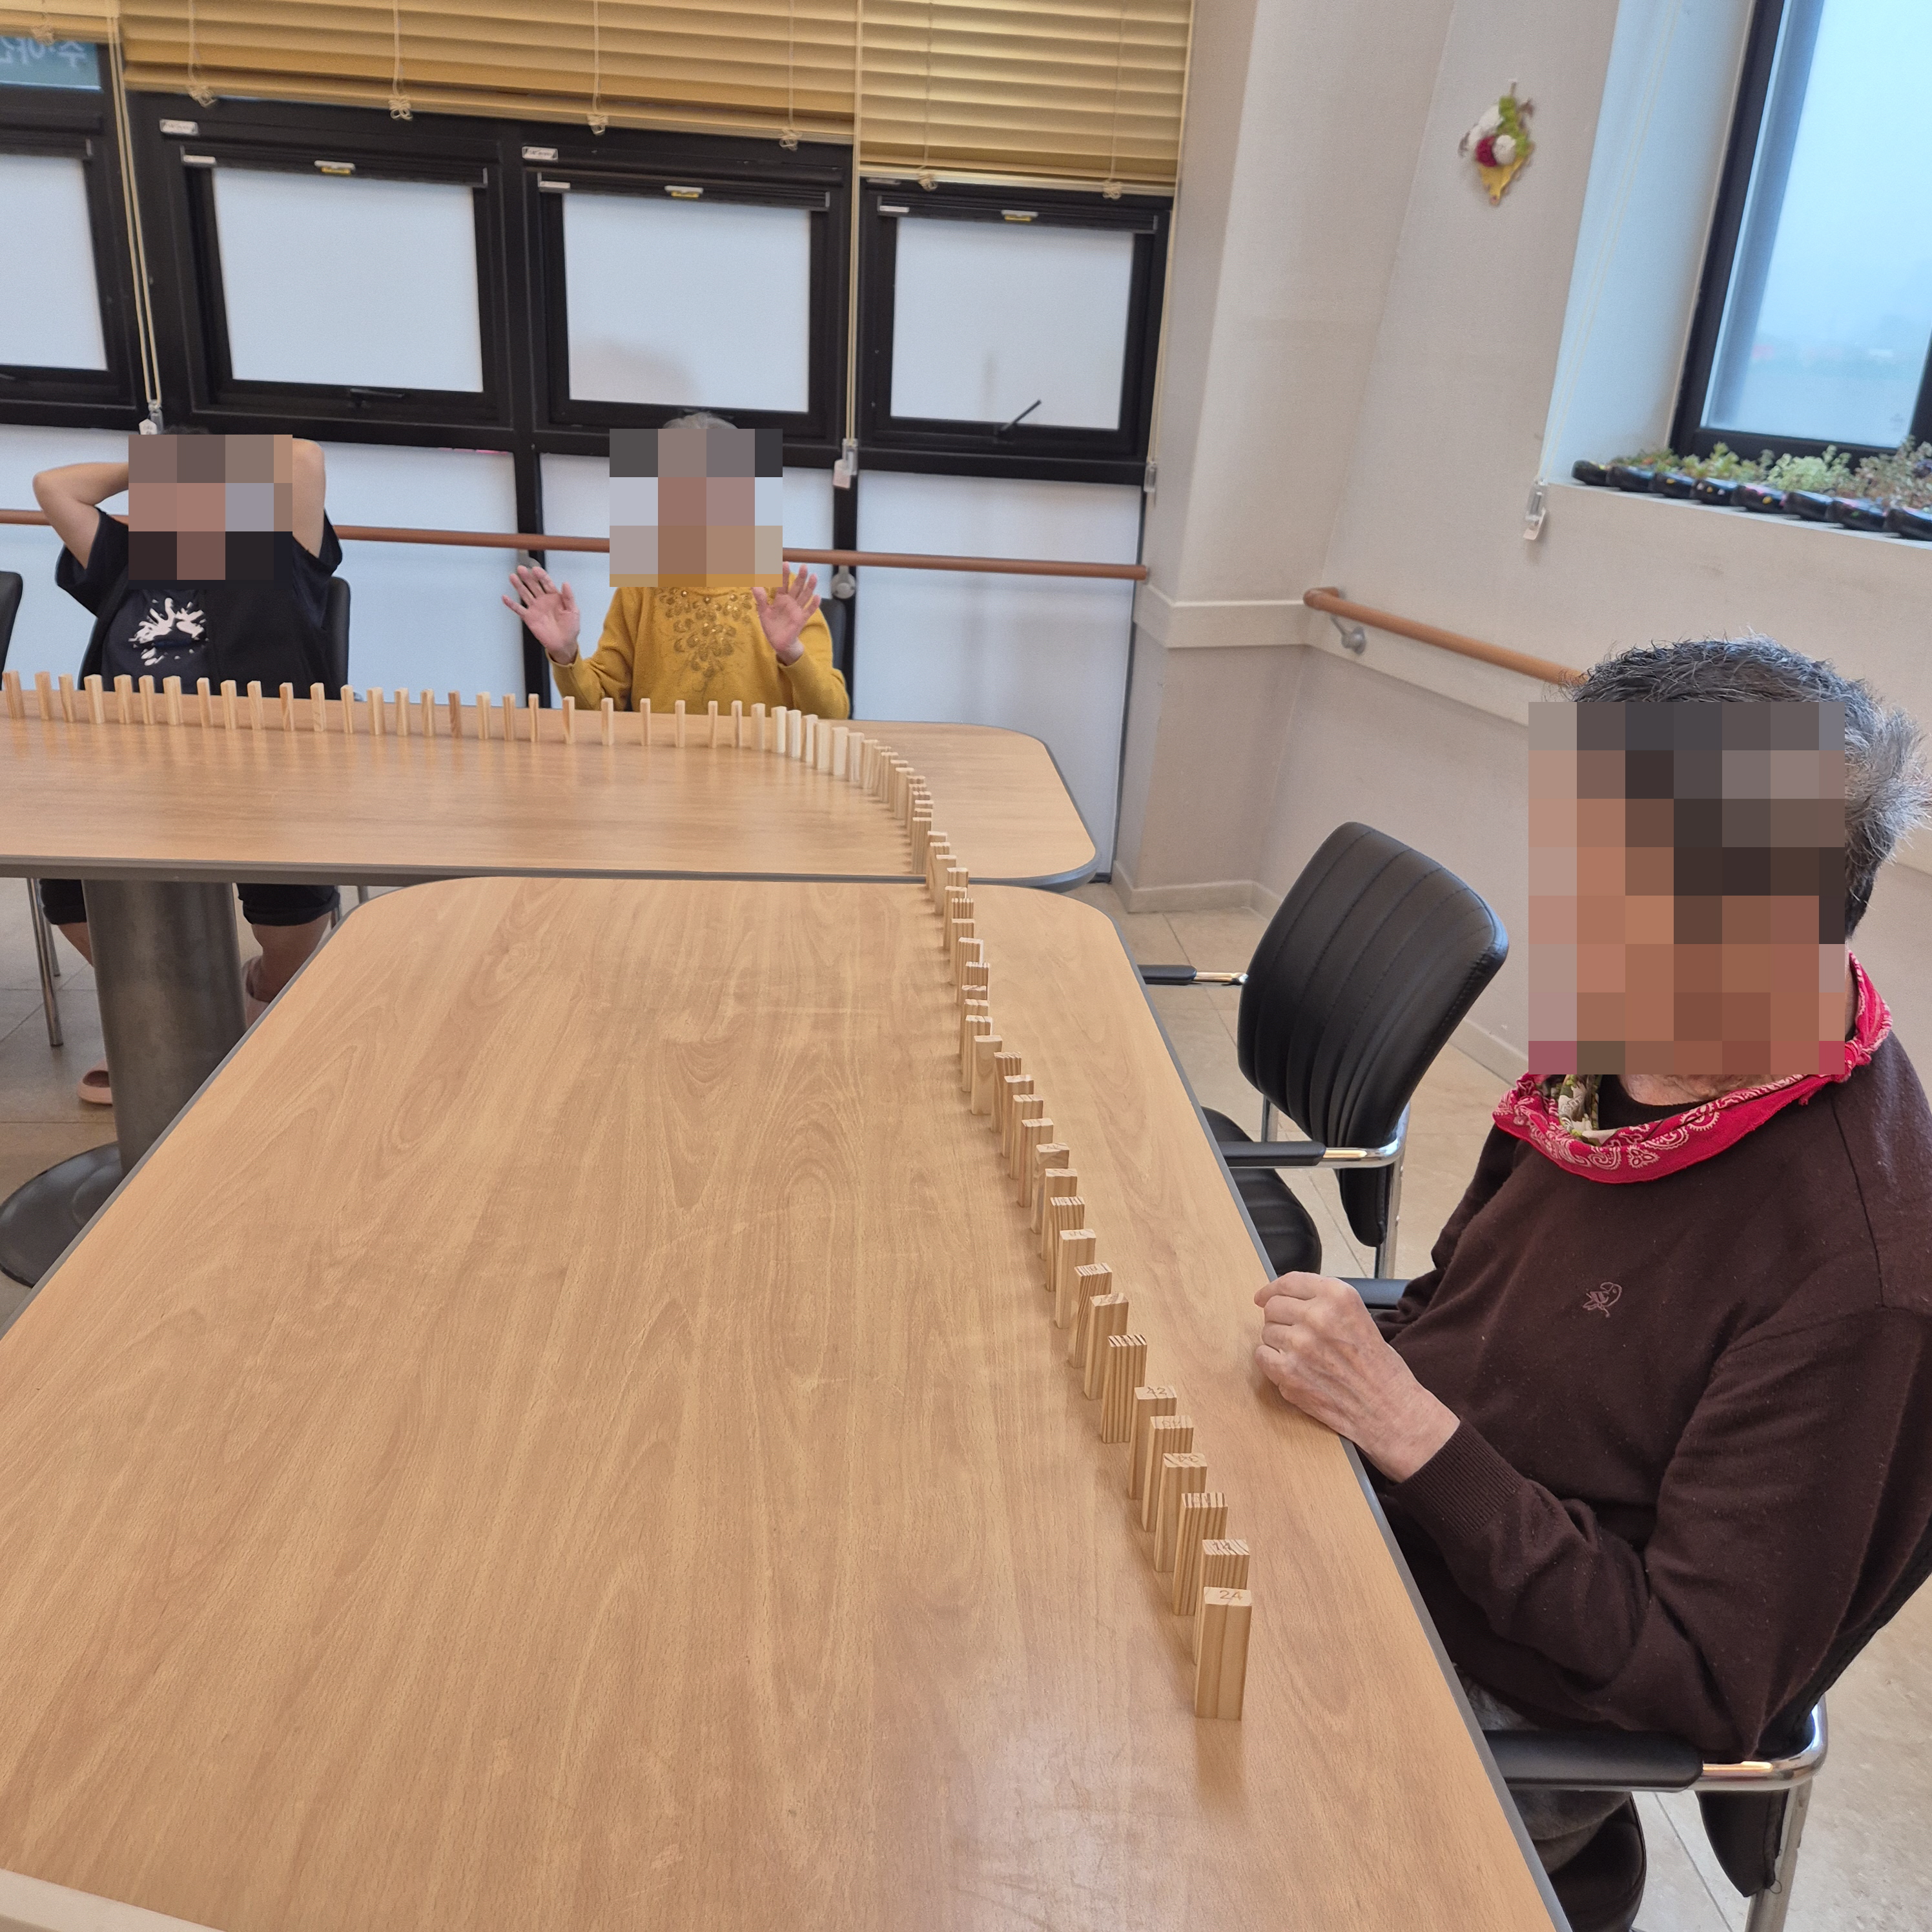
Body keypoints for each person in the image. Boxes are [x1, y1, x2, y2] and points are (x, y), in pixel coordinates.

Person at [1250, 637, 1932, 1893]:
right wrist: (1367, 1403)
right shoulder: (1622, 1035)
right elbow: (1459, 1293)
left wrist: (1409, 1431)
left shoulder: (1859, 1272)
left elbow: (1692, 1677)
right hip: (1390, 1528)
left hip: (1513, 1689)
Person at [32, 438, 344, 1105]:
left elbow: (304, 459)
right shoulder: (129, 561)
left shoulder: (278, 555)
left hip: (258, 765)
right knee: (65, 878)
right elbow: (54, 486)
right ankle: (174, 1013)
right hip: (127, 769)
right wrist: (149, 467)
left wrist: (191, 462)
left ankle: (263, 990)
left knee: (289, 893)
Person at [502, 415, 848, 723]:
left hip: (764, 766)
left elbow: (833, 714)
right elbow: (599, 708)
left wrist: (791, 652)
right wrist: (565, 653)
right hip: (658, 765)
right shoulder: (641, 587)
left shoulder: (783, 591)